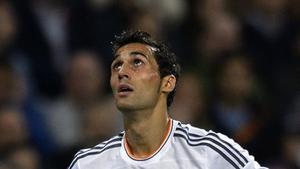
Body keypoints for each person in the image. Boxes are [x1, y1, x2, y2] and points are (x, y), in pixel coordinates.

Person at [68, 30, 267, 169]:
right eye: (116, 66)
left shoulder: (209, 151)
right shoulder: (88, 163)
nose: (122, 73)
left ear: (167, 83)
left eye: (137, 62)